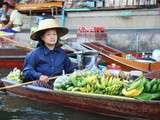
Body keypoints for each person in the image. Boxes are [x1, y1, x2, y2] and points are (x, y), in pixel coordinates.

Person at [23, 18, 74, 89]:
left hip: (58, 85)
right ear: (42, 37)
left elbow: (70, 70)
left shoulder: (62, 53)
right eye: (48, 34)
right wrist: (39, 76)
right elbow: (27, 71)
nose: (52, 37)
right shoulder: (35, 54)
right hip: (40, 85)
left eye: (54, 34)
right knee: (38, 84)